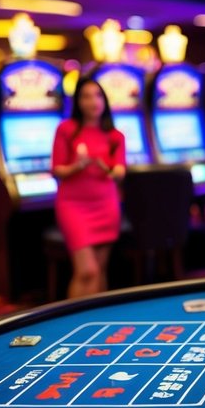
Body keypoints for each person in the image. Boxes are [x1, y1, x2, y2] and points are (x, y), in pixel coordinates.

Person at [51, 77, 126, 299]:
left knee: (100, 270)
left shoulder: (115, 135)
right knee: (87, 271)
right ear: (78, 102)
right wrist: (78, 165)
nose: (93, 101)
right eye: (86, 96)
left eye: (98, 95)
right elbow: (57, 170)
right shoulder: (66, 129)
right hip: (73, 205)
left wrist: (107, 168)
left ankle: (97, 326)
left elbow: (120, 172)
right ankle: (76, 325)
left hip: (106, 204)